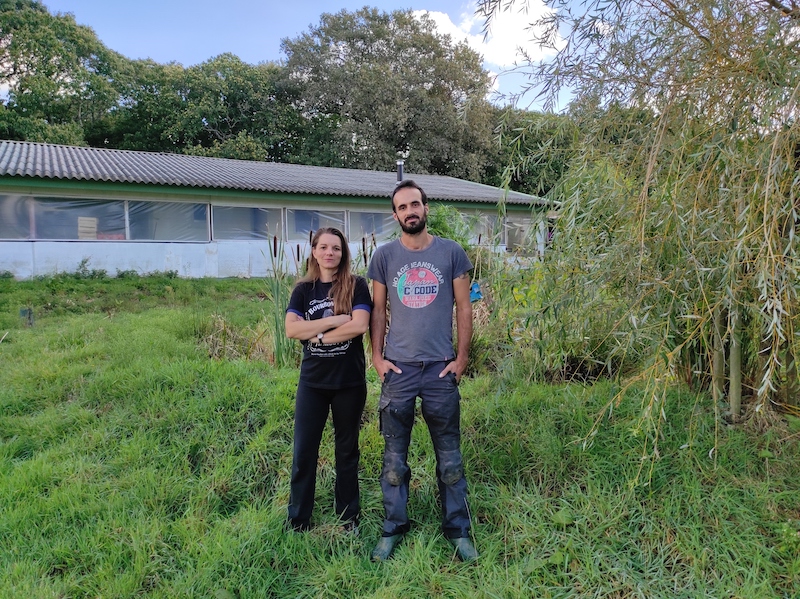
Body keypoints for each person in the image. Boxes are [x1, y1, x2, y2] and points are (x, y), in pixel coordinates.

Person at [367, 179, 478, 562]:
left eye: (415, 204)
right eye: (402, 207)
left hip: (439, 371)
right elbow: (378, 310)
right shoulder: (384, 257)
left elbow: (464, 309)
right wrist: (377, 357)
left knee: (449, 460)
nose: (410, 211)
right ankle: (393, 528)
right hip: (399, 371)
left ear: (425, 208)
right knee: (394, 461)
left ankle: (458, 529)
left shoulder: (451, 253)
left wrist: (461, 360)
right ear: (395, 214)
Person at [284, 227, 372, 532]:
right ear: (314, 251)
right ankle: (298, 520)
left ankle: (349, 518)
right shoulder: (303, 290)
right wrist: (333, 322)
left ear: (343, 252)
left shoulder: (357, 285)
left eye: (335, 248)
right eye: (323, 247)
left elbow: (359, 325)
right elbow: (292, 330)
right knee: (304, 451)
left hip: (349, 382)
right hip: (313, 383)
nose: (329, 253)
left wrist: (315, 333)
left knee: (347, 451)